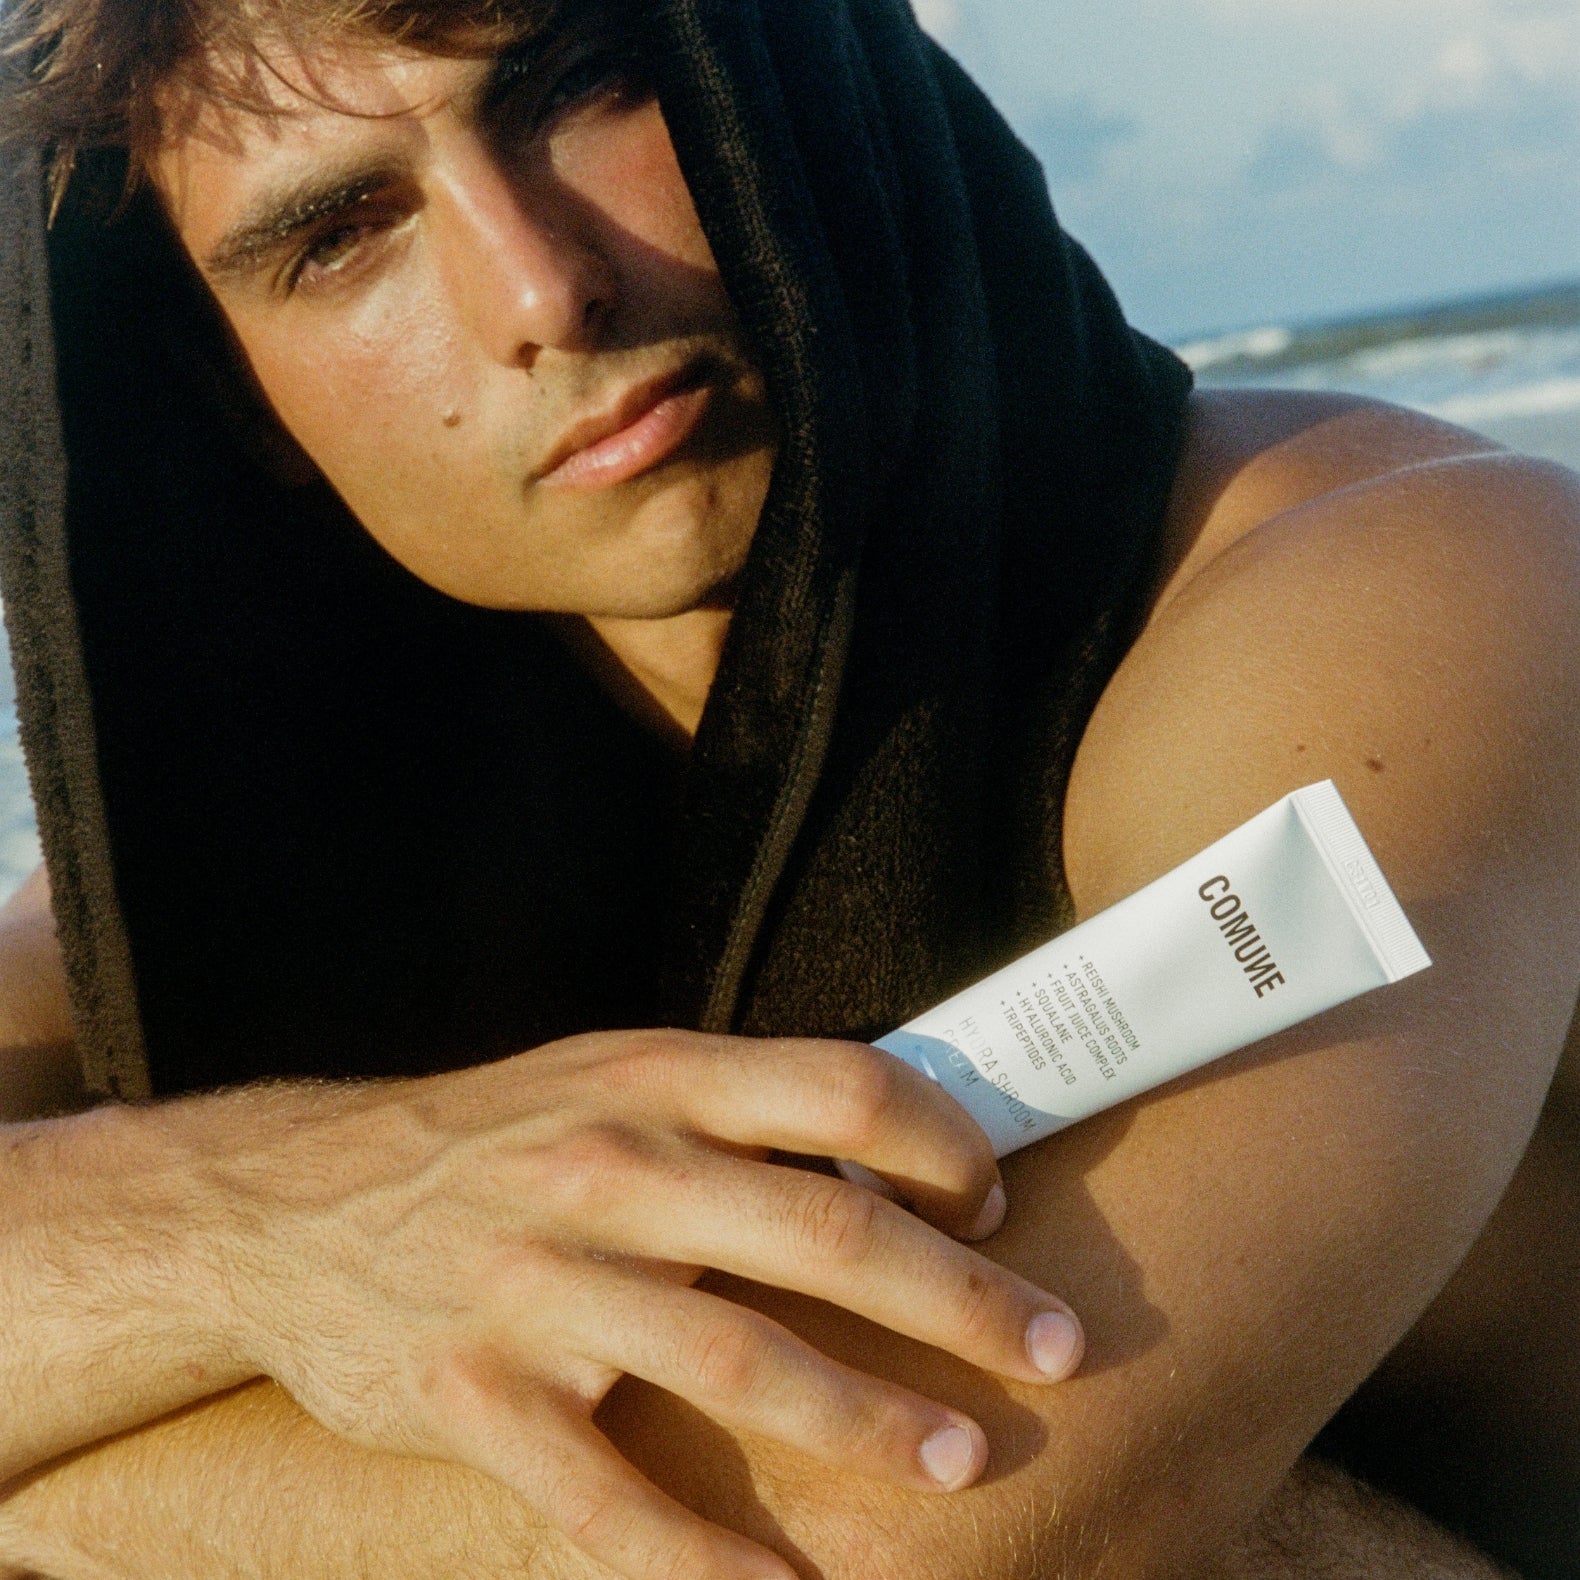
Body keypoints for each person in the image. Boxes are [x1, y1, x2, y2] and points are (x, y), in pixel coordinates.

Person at [0, 0, 1576, 1575]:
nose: (542, 288)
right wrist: (243, 1214)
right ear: (233, 399)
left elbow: (919, 1527)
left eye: (583, 83)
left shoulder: (1429, 592)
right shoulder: (250, 874)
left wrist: (53, 1498)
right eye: (341, 235)